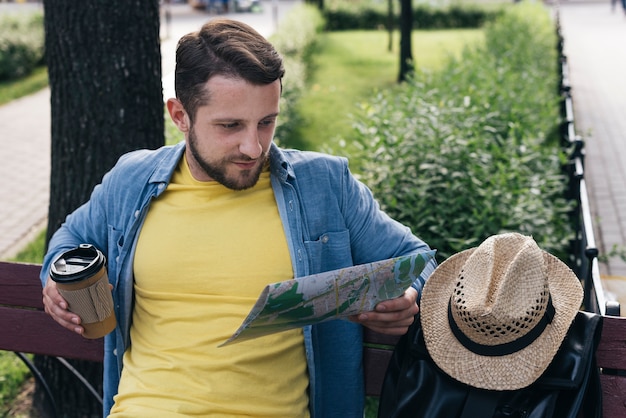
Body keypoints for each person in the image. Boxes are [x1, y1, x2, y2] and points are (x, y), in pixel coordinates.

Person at [40, 19, 436, 418]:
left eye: (267, 122)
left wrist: (409, 294)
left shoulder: (325, 185)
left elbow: (418, 259)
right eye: (230, 126)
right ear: (179, 115)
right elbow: (70, 238)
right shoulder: (131, 181)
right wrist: (54, 282)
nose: (254, 146)